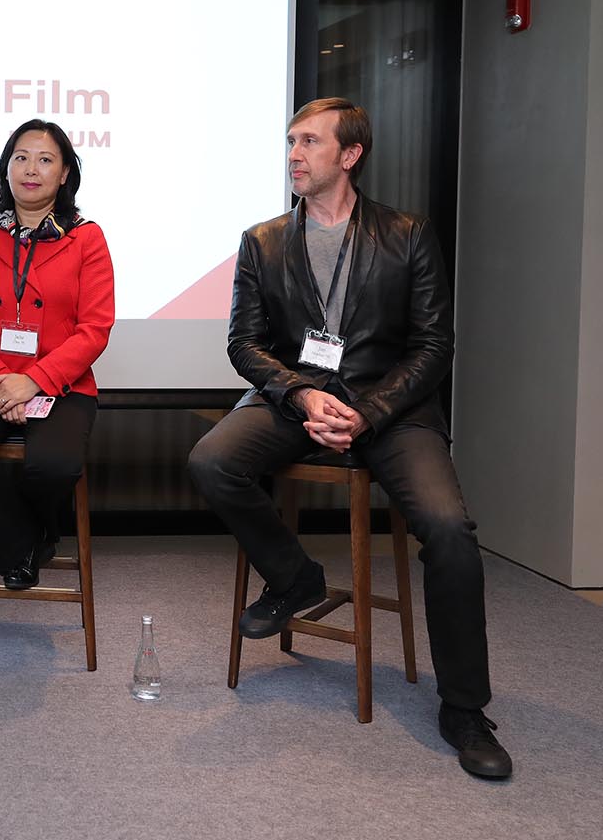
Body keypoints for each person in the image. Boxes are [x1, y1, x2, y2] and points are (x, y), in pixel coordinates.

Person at [187, 97, 512, 779]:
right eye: (290, 142)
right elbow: (243, 343)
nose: (294, 155)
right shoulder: (264, 239)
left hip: (390, 407)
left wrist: (367, 412)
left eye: (309, 142)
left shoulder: (407, 233)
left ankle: (465, 708)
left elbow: (433, 345)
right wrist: (301, 393)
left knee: (450, 529)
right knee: (212, 461)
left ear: (350, 154)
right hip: (296, 396)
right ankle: (296, 577)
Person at [0, 120, 115, 590]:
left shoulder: (87, 238)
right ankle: (21, 541)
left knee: (54, 465)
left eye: (45, 159)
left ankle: (39, 532)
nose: (30, 169)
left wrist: (33, 380)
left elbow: (95, 328)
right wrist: (1, 379)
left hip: (60, 382)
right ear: (6, 169)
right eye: (20, 157)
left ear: (64, 175)